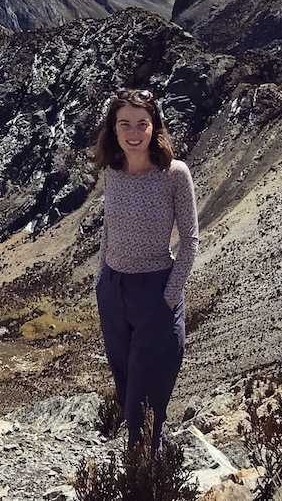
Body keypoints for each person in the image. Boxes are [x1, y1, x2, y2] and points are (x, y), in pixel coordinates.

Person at [91, 85, 199, 455]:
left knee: (147, 395)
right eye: (125, 125)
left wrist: (170, 296)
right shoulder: (113, 170)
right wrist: (101, 279)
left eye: (142, 124)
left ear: (155, 127)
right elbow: (109, 226)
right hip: (114, 291)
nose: (133, 134)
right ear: (114, 129)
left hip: (155, 290)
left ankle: (147, 476)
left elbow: (190, 239)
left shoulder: (174, 174)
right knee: (125, 388)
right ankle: (141, 469)